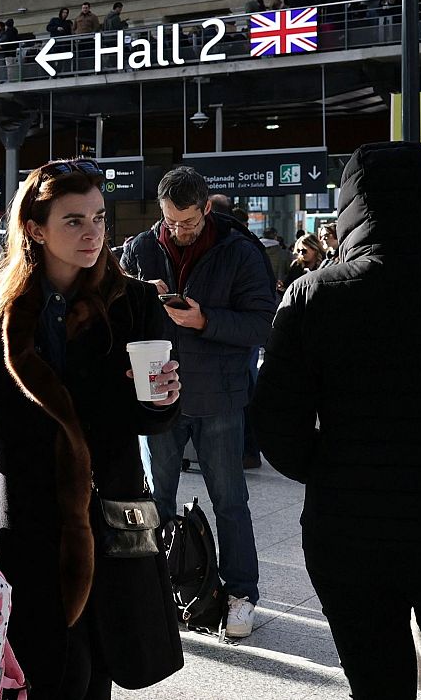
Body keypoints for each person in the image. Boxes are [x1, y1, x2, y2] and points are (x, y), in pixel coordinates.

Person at [256, 145, 421, 697]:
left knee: (378, 683)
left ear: (349, 206)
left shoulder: (313, 296)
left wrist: (337, 470)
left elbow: (276, 426)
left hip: (351, 533)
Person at [0, 159, 183, 698]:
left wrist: (162, 401)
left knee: (99, 665)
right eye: (74, 221)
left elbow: (149, 415)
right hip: (29, 511)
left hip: (109, 507)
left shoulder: (131, 302)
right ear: (35, 229)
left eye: (100, 218)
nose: (93, 234)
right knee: (44, 667)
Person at [120, 167, 274, 638]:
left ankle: (242, 593)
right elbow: (113, 307)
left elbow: (261, 325)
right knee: (155, 497)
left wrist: (204, 320)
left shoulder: (240, 251)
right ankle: (161, 587)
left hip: (220, 397)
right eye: (170, 221)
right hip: (158, 395)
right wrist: (141, 305)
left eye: (188, 222)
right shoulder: (141, 249)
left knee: (230, 499)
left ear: (207, 208)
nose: (179, 231)